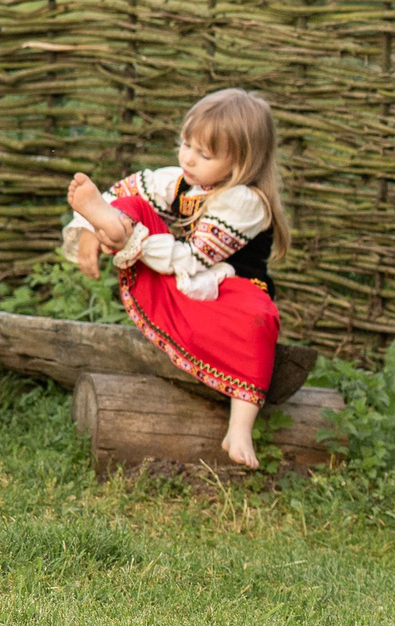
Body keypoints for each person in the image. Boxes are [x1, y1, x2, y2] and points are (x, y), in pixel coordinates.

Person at [63, 88, 287, 469]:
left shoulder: (246, 202)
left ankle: (240, 428)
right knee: (132, 203)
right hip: (183, 285)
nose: (188, 158)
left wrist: (133, 241)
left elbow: (191, 260)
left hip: (228, 294)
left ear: (241, 162)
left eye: (204, 154)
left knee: (259, 320)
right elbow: (130, 190)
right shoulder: (181, 182)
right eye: (186, 144)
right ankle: (106, 225)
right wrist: (89, 226)